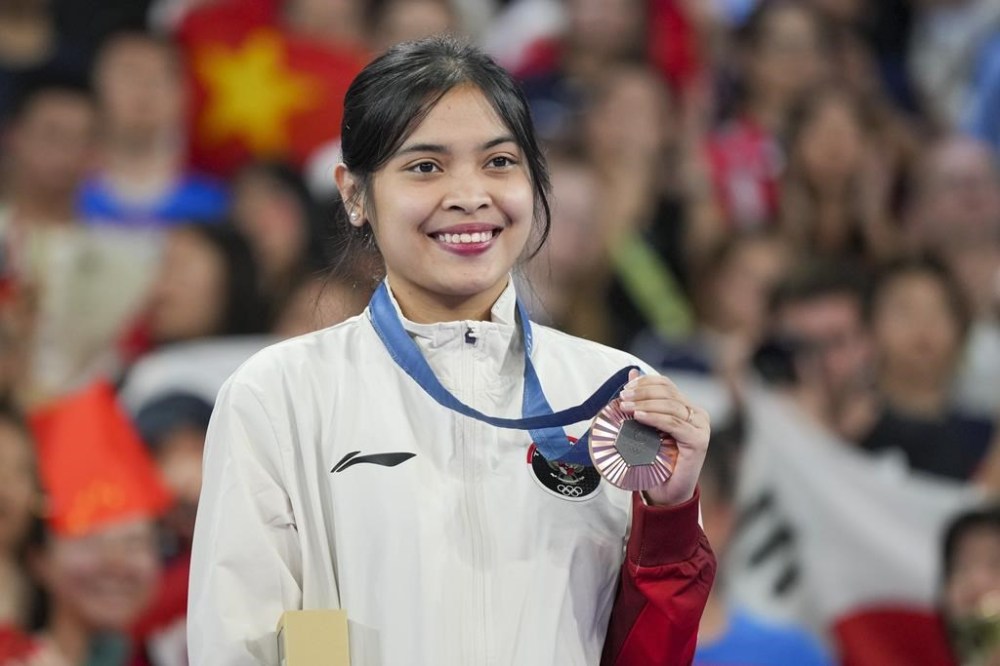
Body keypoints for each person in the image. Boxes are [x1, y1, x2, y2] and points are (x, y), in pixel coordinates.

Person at [188, 37, 715, 665]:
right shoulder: (279, 394)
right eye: (425, 167)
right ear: (355, 194)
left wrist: (671, 513)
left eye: (498, 162)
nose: (470, 194)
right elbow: (239, 644)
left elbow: (648, 653)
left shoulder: (614, 393)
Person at [78, 32, 228, 228]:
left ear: (184, 94)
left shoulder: (217, 205)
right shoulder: (61, 193)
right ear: (96, 86)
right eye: (130, 73)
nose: (145, 88)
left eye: (162, 75)